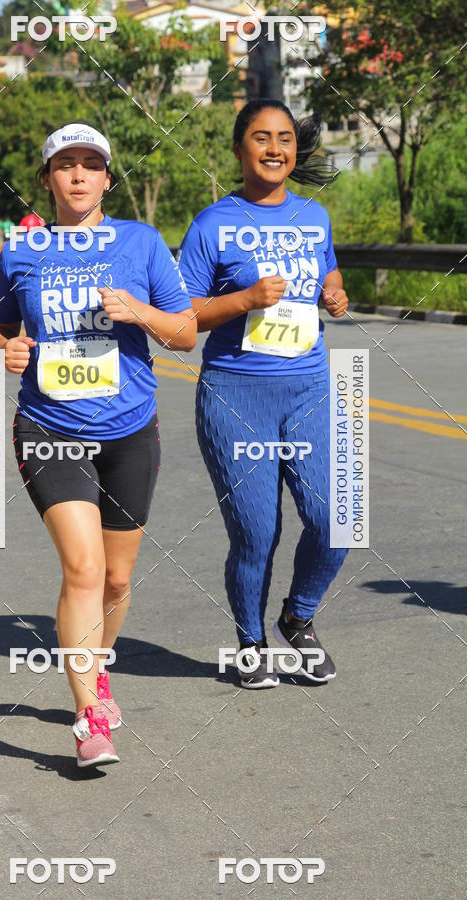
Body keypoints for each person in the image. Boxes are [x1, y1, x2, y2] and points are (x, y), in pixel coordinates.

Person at [0, 123, 196, 767]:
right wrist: (7, 348)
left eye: (90, 164)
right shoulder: (22, 249)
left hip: (130, 430)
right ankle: (88, 716)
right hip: (49, 428)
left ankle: (97, 670)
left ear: (107, 179)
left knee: (117, 577)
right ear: (47, 179)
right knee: (84, 568)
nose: (78, 175)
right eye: (65, 164)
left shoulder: (141, 241)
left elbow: (185, 334)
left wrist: (140, 312)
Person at [178, 99, 349, 689]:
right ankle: (251, 642)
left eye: (285, 138)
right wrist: (245, 300)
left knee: (336, 518)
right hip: (235, 395)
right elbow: (185, 317)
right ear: (238, 148)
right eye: (261, 137)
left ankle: (297, 618)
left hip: (310, 388)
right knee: (256, 533)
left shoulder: (314, 216)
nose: (275, 148)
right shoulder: (211, 225)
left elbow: (328, 270)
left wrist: (333, 292)